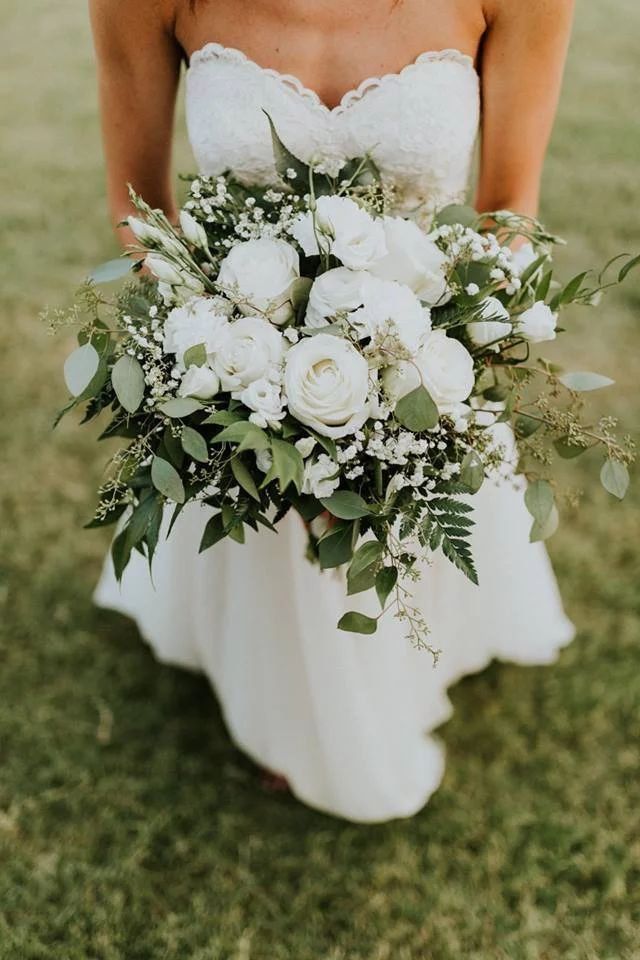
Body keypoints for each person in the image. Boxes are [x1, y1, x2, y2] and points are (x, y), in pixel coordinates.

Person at [89, 0, 575, 822]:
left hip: (420, 364)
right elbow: (141, 213)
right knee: (272, 535)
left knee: (403, 541)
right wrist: (240, 376)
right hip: (245, 361)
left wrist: (412, 381)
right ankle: (283, 700)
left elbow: (505, 217)